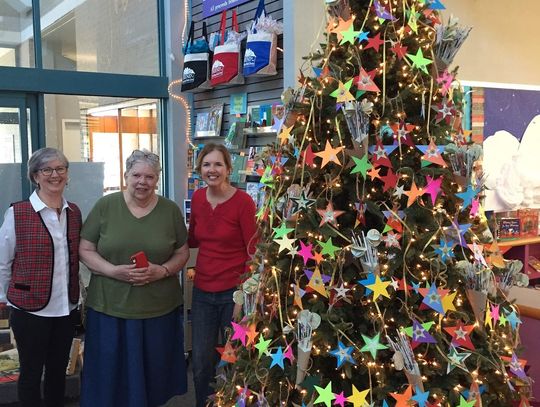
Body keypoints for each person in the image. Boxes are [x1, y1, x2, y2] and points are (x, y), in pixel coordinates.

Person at [79, 149, 189, 407]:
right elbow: (85, 249)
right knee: (109, 376)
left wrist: (162, 270)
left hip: (158, 308)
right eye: (136, 175)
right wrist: (112, 270)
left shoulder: (170, 210)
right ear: (126, 175)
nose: (142, 182)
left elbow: (182, 252)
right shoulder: (105, 206)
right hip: (110, 307)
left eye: (149, 176)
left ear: (157, 179)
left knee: (154, 375)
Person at [0, 147, 82, 407]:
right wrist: (8, 301)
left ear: (67, 174)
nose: (54, 175)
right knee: (31, 373)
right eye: (47, 169)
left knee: (58, 372)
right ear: (35, 176)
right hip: (29, 310)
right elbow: (3, 261)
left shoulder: (74, 212)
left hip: (66, 308)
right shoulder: (18, 213)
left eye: (60, 169)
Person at [188, 143, 258, 407]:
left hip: (234, 293)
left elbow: (253, 250)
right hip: (203, 291)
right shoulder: (197, 199)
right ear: (200, 170)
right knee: (201, 362)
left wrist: (244, 295)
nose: (212, 170)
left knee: (233, 360)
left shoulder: (243, 202)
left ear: (229, 169)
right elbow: (192, 238)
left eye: (218, 164)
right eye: (206, 164)